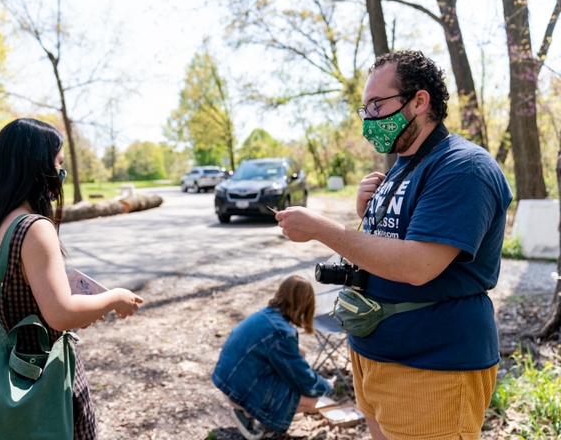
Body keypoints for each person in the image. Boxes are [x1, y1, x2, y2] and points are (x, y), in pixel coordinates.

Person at [275, 50, 513, 440]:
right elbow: (380, 250)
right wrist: (364, 214)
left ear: (419, 101)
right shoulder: (399, 169)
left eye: (377, 104)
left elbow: (416, 266)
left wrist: (322, 228)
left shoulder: (463, 167)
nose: (369, 118)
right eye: (364, 108)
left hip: (433, 366)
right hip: (373, 355)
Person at [0, 118, 144, 440]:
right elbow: (60, 314)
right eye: (58, 164)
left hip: (0, 378)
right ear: (36, 166)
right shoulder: (34, 228)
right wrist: (115, 297)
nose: (61, 174)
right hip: (41, 379)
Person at [212, 275, 332, 440]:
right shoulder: (282, 333)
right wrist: (326, 385)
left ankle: (265, 408)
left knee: (300, 351)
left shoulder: (267, 314)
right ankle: (246, 412)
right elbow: (303, 381)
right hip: (237, 392)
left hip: (226, 379)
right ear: (305, 304)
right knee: (311, 399)